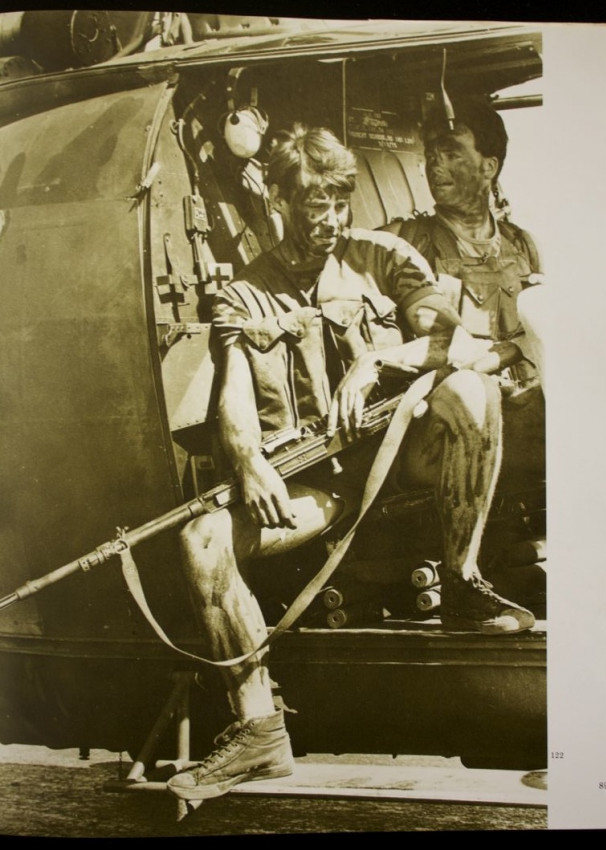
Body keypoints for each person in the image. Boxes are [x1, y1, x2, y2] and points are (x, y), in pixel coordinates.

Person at [166, 123, 535, 803]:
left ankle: (462, 585)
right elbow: (234, 395)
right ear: (279, 202)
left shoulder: (382, 257)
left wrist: (376, 363)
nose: (332, 221)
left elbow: (453, 341)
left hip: (397, 463)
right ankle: (258, 730)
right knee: (203, 540)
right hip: (318, 490)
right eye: (316, 208)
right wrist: (248, 461)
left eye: (340, 205)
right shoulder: (244, 294)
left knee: (468, 389)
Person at [381, 96, 547, 489]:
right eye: (431, 154)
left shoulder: (522, 245)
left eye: (451, 153)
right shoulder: (401, 240)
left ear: (489, 167)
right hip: (444, 423)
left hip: (520, 410)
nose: (435, 165)